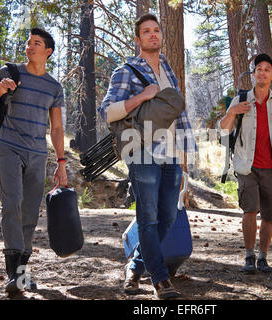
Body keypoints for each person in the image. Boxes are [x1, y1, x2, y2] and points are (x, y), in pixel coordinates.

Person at [99, 13, 196, 299]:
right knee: (148, 216)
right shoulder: (126, 71)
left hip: (169, 155)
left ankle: (136, 266)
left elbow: (179, 117)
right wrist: (141, 97)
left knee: (167, 215)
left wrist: (182, 157)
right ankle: (160, 280)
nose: (153, 35)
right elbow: (107, 112)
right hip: (140, 152)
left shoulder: (169, 71)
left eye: (156, 30)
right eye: (146, 31)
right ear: (138, 38)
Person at [0, 27, 67, 294]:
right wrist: (0, 91)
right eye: (28, 43)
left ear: (48, 52)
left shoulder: (54, 86)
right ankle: (13, 272)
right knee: (11, 204)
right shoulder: (10, 72)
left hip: (38, 153)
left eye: (36, 43)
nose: (30, 47)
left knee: (29, 213)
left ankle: (22, 273)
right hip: (9, 146)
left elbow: (58, 128)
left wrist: (61, 163)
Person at [218, 53, 272, 273]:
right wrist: (232, 111)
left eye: (267, 69)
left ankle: (263, 257)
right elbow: (223, 130)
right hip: (247, 166)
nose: (262, 72)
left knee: (269, 215)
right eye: (259, 69)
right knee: (249, 210)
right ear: (253, 74)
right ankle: (248, 257)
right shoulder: (240, 100)